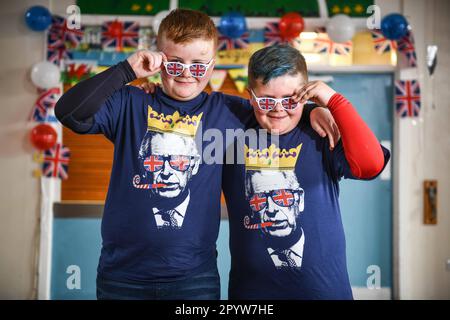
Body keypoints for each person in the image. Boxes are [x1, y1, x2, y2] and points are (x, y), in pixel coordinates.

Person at [55, 9, 337, 300]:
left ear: (212, 66)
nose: (188, 74)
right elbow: (69, 112)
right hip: (122, 275)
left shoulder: (227, 111)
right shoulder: (130, 104)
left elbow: (275, 110)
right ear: (159, 60)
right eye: (176, 64)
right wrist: (127, 70)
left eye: (199, 66)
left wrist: (313, 110)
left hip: (194, 280)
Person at [222, 44, 390, 299]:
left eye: (290, 100)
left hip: (324, 292)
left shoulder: (321, 134)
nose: (278, 109)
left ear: (305, 94)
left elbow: (370, 165)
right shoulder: (229, 133)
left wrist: (333, 101)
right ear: (250, 96)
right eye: (267, 100)